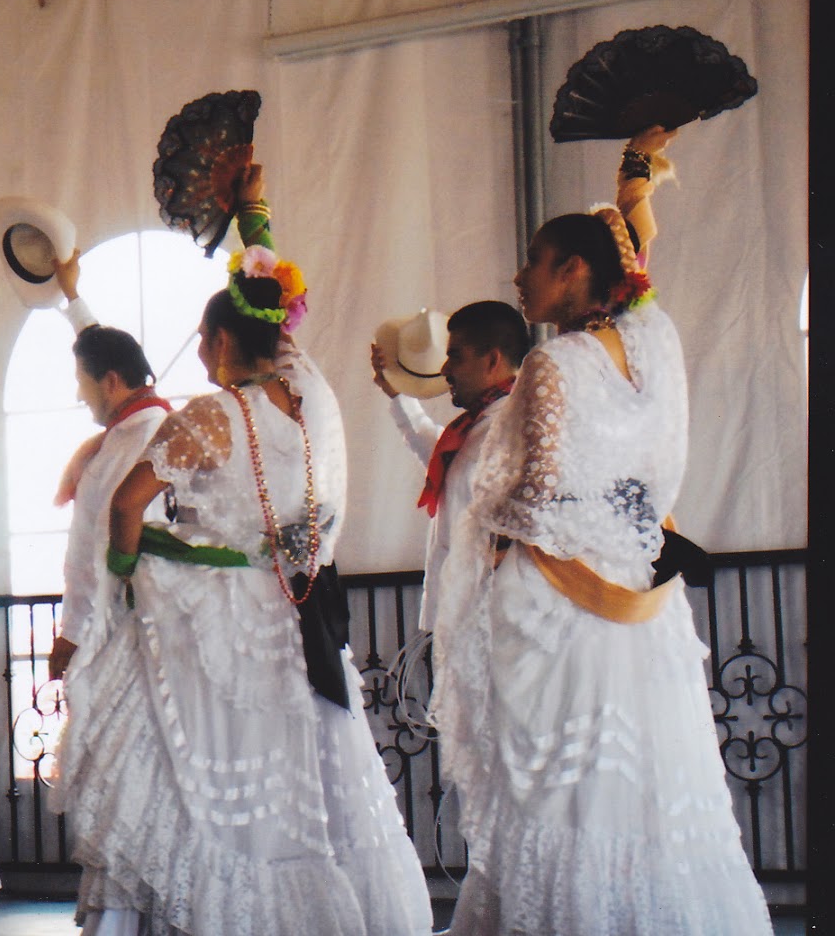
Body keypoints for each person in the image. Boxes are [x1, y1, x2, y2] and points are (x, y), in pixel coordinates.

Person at [58, 168, 432, 935]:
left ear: (223, 339)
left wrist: (128, 572)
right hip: (294, 619)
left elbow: (128, 505)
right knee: (302, 774)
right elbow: (279, 316)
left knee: (187, 770)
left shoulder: (213, 414)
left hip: (210, 624)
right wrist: (253, 220)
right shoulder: (314, 392)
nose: (198, 351)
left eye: (202, 337)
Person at [441, 127, 772, 934]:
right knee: (643, 781)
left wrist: (490, 515)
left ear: (572, 271)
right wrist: (633, 188)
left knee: (560, 784)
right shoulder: (657, 341)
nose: (520, 278)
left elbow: (541, 484)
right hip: (638, 591)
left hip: (559, 603)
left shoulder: (553, 364)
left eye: (534, 261)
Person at [45, 251, 172, 684]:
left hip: (124, 639)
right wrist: (71, 292)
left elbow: (100, 553)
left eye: (82, 381)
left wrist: (75, 634)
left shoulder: (143, 441)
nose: (80, 394)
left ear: (111, 383)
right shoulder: (132, 426)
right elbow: (96, 342)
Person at [370, 301, 529, 640]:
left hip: (490, 626)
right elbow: (438, 453)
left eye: (455, 356)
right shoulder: (476, 427)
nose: (445, 369)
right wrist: (396, 393)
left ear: (492, 360)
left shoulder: (514, 429)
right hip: (462, 620)